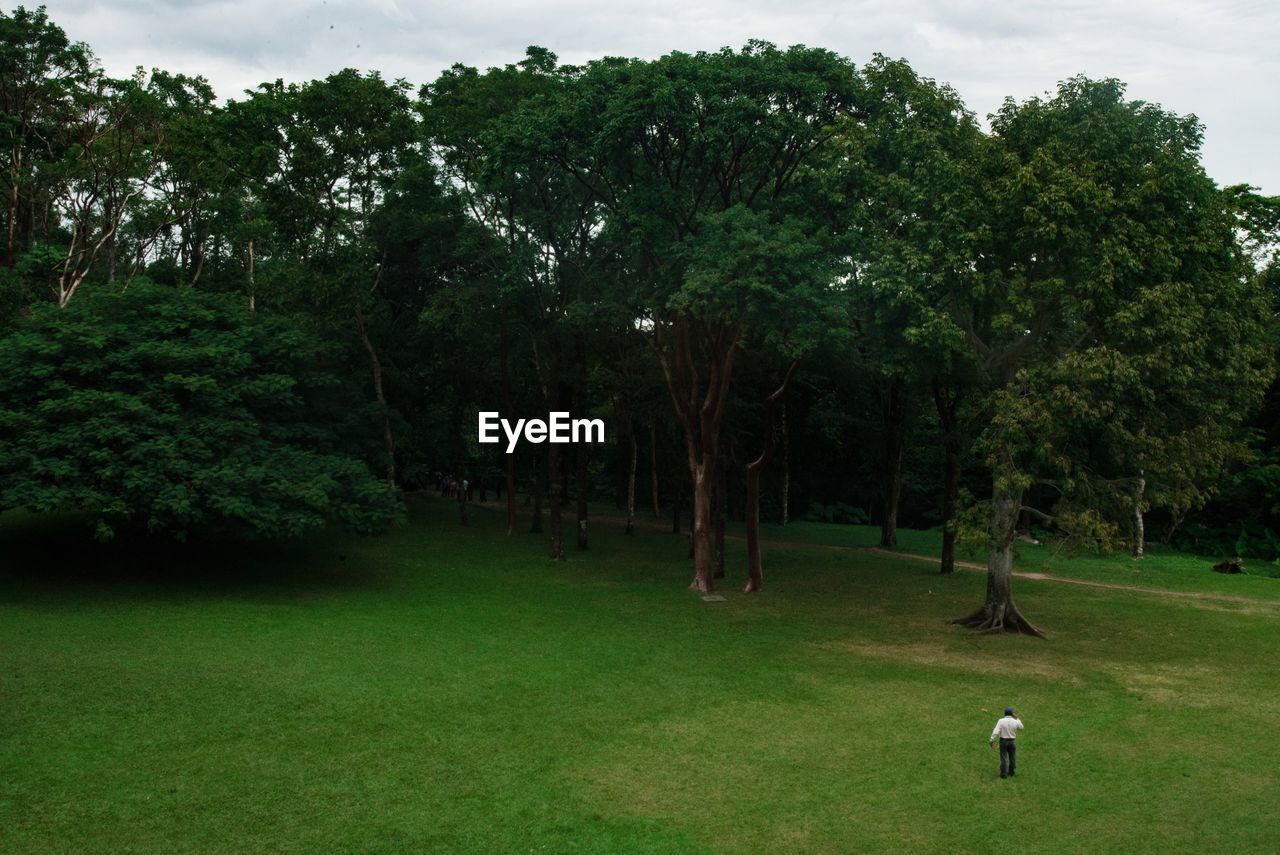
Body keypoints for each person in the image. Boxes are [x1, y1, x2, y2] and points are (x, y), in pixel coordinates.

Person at [989, 707, 1024, 778]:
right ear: (1012, 714)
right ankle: (1012, 772)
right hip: (1012, 741)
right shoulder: (1015, 721)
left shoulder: (1001, 721)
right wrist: (1017, 718)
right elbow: (1021, 727)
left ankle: (1003, 774)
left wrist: (991, 739)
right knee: (1012, 757)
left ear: (1004, 713)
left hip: (1003, 741)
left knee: (1003, 758)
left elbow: (996, 731)